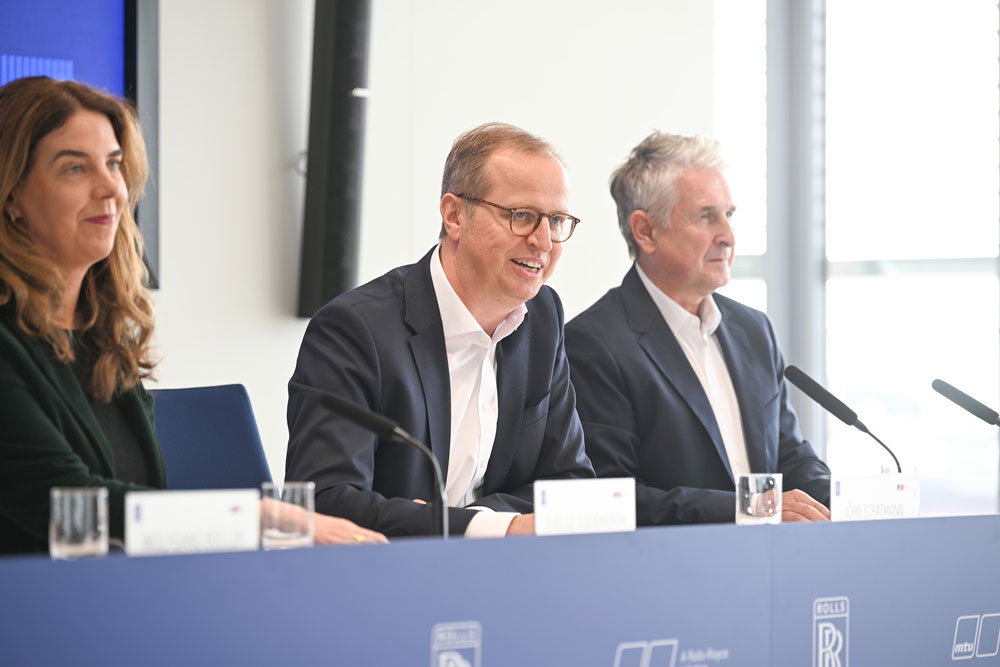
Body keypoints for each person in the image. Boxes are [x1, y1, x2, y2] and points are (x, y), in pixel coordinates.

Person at [0, 76, 385, 553]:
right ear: (12, 195)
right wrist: (255, 519)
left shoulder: (104, 338)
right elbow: (63, 502)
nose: (110, 190)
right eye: (75, 169)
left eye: (114, 164)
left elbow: (141, 510)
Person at [286, 122, 594, 538]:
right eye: (521, 216)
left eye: (556, 221)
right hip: (388, 579)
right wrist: (497, 527)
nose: (543, 241)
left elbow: (569, 486)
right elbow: (329, 500)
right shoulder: (355, 330)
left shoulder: (543, 316)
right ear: (454, 216)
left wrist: (464, 522)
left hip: (506, 574)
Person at [565, 131, 831, 525]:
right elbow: (611, 497)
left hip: (774, 569)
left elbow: (789, 456)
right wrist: (750, 508)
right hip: (673, 576)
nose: (728, 236)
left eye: (729, 214)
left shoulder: (753, 330)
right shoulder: (595, 343)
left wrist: (849, 502)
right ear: (646, 231)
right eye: (707, 217)